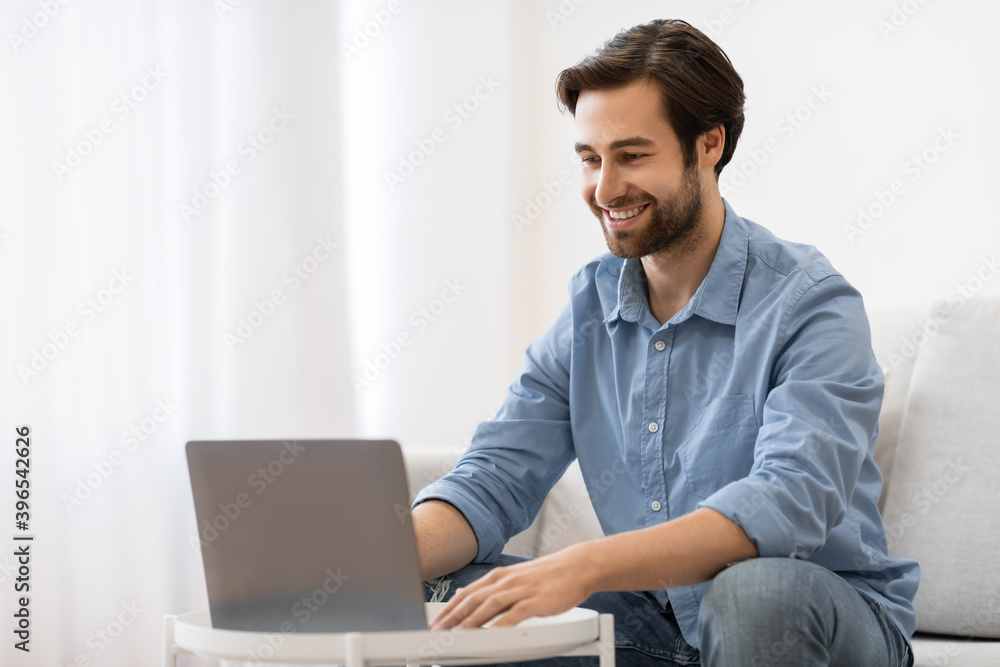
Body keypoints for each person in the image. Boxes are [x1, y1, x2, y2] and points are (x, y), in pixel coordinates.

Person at [410, 18, 918, 667]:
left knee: (752, 591)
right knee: (432, 593)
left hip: (815, 613)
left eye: (632, 155)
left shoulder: (810, 303)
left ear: (710, 144)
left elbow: (786, 504)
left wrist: (583, 566)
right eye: (590, 159)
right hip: (657, 619)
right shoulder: (589, 309)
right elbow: (492, 480)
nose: (604, 188)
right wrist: (355, 565)